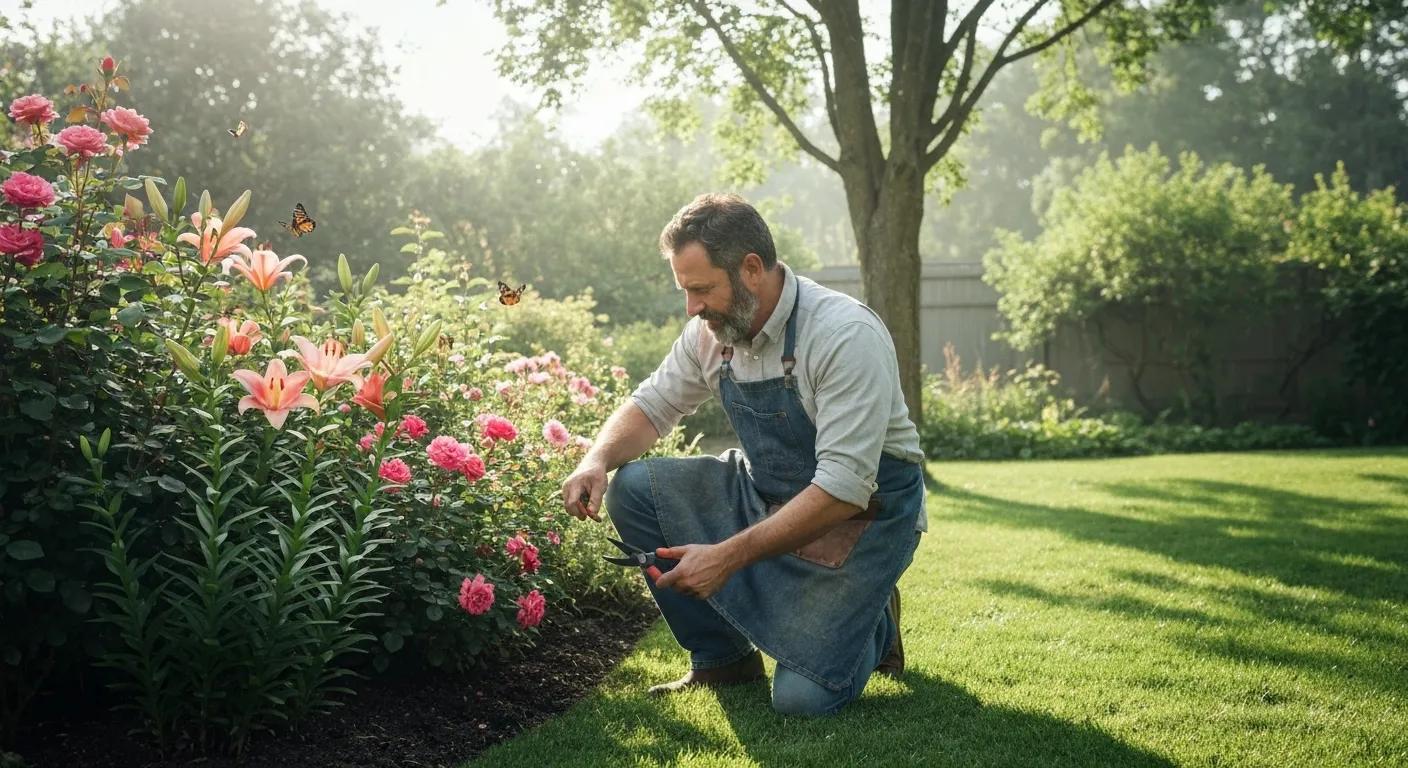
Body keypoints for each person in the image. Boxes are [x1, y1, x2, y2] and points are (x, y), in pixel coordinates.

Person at [560, 193, 926, 717]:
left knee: (802, 702)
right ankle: (723, 658)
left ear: (751, 268)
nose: (692, 307)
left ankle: (875, 622)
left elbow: (844, 487)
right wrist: (596, 459)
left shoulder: (845, 335)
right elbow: (652, 405)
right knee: (635, 489)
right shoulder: (711, 333)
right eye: (686, 291)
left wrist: (727, 556)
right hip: (767, 491)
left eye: (702, 289)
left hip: (862, 517)